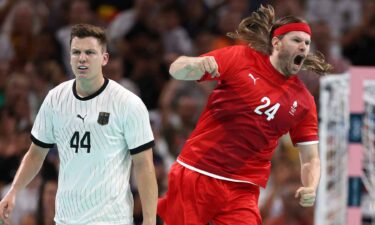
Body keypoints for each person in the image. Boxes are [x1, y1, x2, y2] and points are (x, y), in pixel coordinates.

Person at [157, 5, 331, 225]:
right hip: (197, 171)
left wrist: (310, 185)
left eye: (307, 43)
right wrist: (194, 64)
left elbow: (310, 157)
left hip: (242, 188)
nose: (304, 47)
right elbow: (176, 68)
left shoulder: (304, 101)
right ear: (276, 43)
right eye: (297, 40)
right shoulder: (240, 58)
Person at [0, 23, 158, 225]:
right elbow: (35, 154)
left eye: (90, 52)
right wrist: (13, 191)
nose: (82, 58)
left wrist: (150, 219)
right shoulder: (55, 99)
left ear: (104, 58)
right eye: (76, 52)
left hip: (111, 219)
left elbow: (144, 165)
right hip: (67, 218)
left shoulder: (128, 103)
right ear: (70, 58)